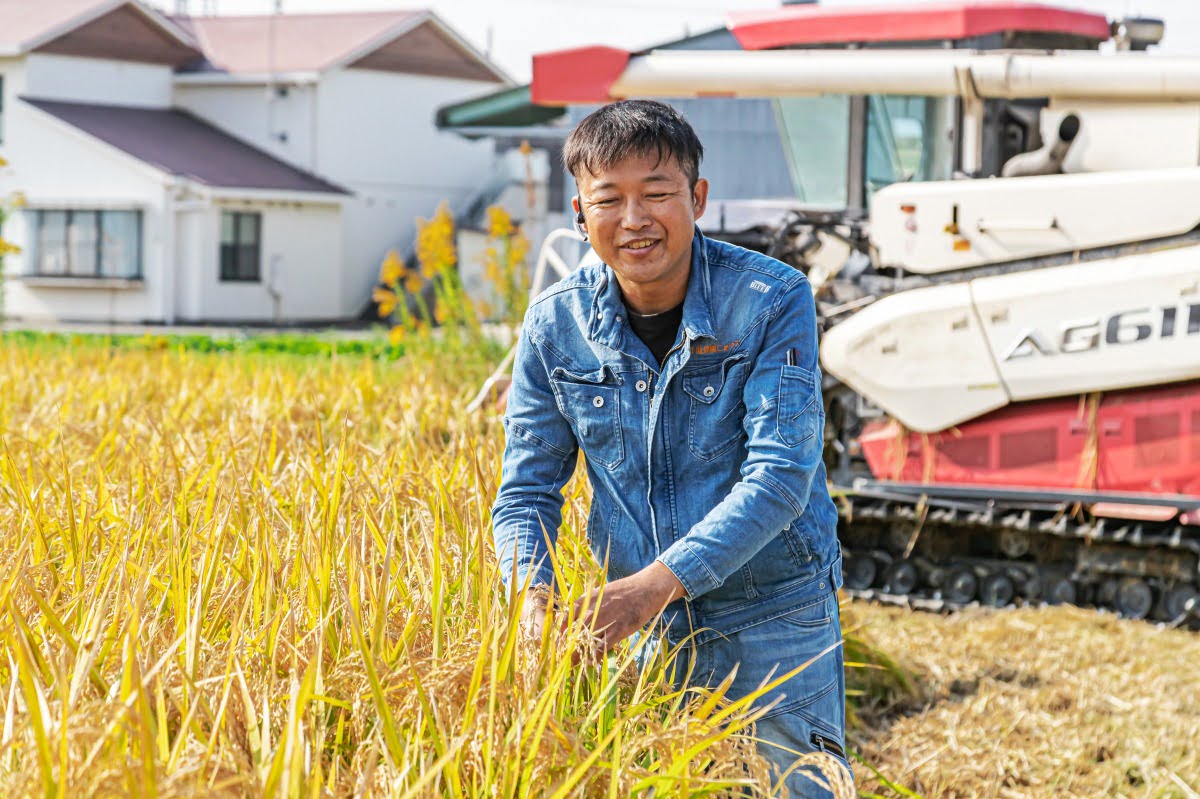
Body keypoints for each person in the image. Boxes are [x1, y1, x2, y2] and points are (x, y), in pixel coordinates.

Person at [491, 99, 850, 797]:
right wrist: (531, 597)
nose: (634, 219)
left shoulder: (771, 299)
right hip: (646, 631)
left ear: (697, 197)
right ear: (578, 212)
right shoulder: (552, 326)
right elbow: (527, 490)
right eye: (610, 199)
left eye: (657, 193)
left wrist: (650, 588)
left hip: (771, 611)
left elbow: (780, 476)